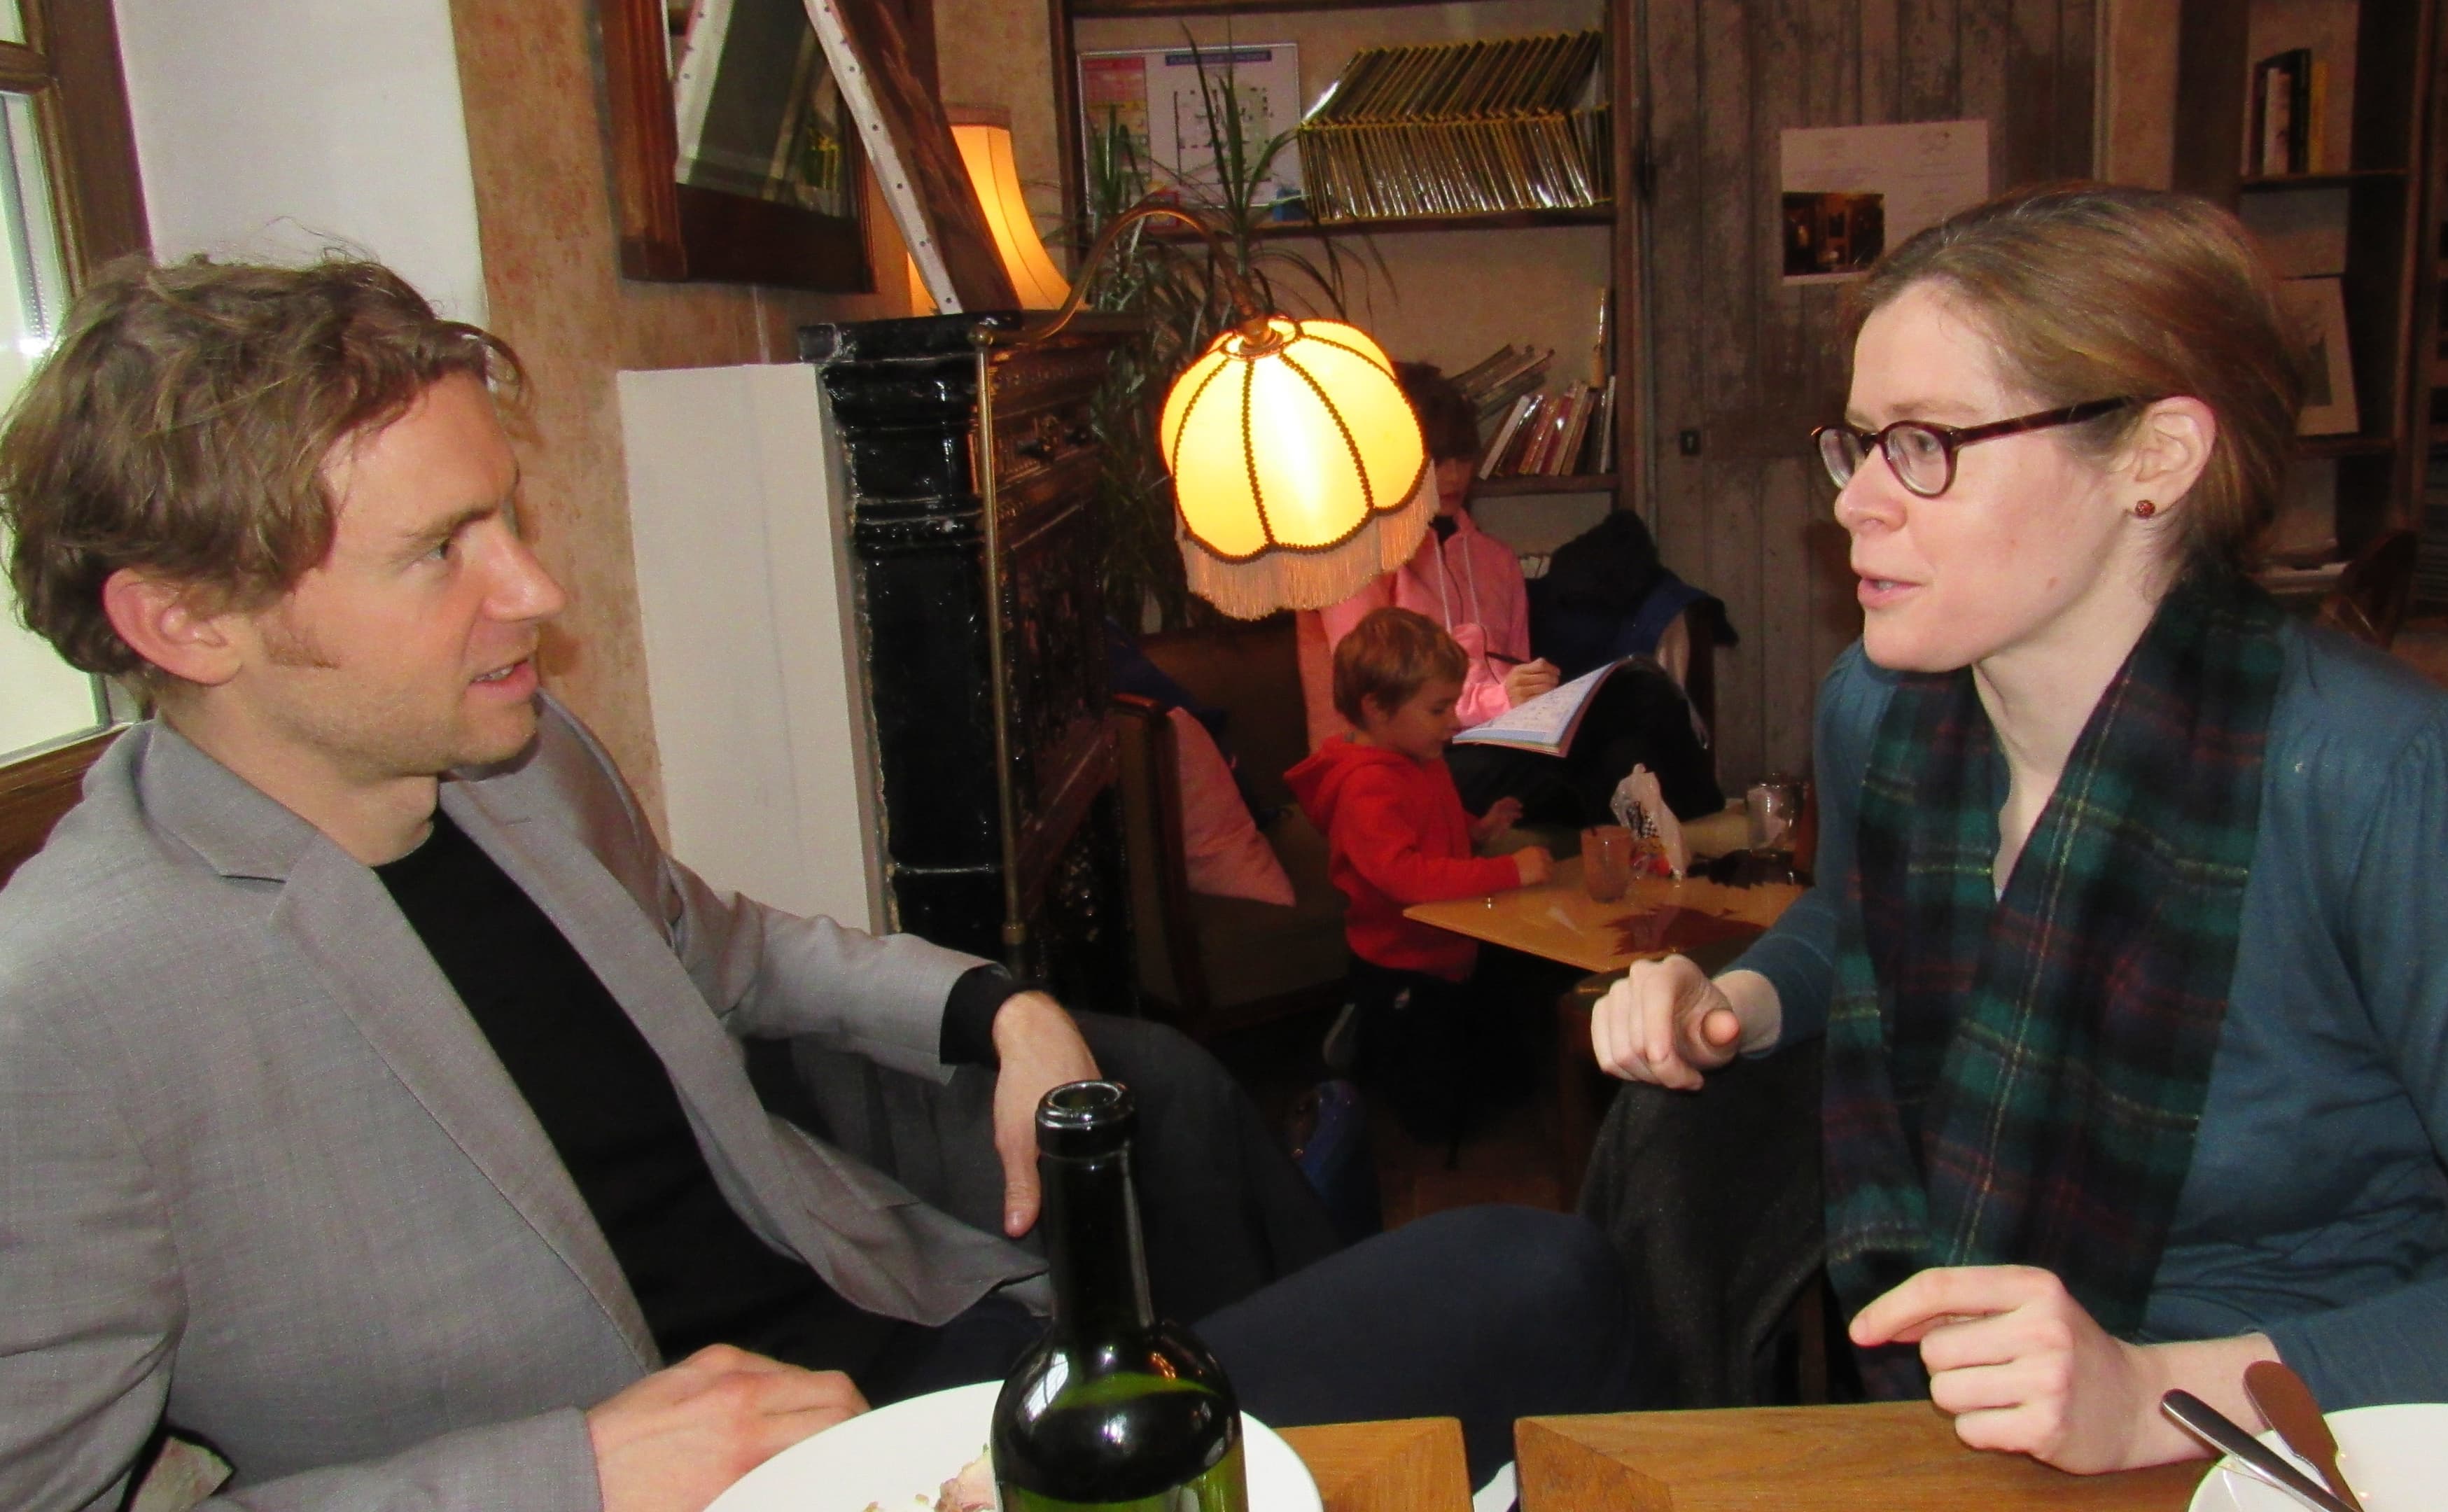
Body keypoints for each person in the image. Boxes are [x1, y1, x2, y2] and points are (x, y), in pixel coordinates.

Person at [0, 256, 1640, 1512]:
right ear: (183, 622)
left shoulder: (512, 762)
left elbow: (731, 946)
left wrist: (1002, 1007)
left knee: (1505, 1266)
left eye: (506, 515)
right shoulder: (67, 1003)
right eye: (443, 551)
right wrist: (567, 1471)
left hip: (925, 1369)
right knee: (1520, 1281)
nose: (537, 587)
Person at [1588, 183, 2448, 1472]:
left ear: (2157, 459)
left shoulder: (2378, 773)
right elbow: (1854, 917)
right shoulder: (1879, 708)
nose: (1856, 505)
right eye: (1860, 443)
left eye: (1926, 445)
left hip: (2291, 1448)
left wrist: (2155, 1391)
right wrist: (1742, 1004)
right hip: (1936, 1421)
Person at [1318, 363, 1721, 828]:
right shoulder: (1361, 562)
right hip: (1420, 755)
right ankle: (1675, 860)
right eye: (1436, 461)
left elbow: (1516, 668)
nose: (1453, 476)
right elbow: (1370, 694)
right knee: (1586, 769)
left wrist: (1538, 694)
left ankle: (1704, 857)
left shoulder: (1496, 559)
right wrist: (1497, 701)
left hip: (1509, 736)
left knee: (1641, 698)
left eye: (1463, 459)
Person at [1286, 607, 1551, 1132]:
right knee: (1430, 1108)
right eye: (1438, 708)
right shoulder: (1365, 787)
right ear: (1378, 709)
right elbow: (1406, 879)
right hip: (1401, 959)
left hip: (1447, 944)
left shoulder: (1418, 757)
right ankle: (1369, 1043)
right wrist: (1508, 871)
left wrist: (1476, 829)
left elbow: (1429, 821)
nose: (1454, 721)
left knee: (1500, 1070)